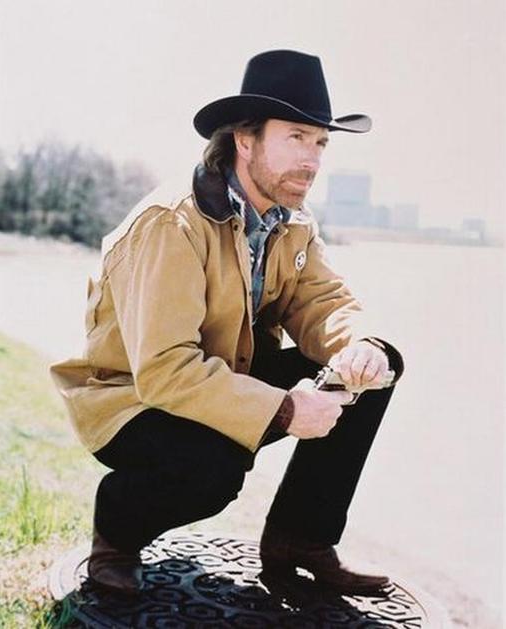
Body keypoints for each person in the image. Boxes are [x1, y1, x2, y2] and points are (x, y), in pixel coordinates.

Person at [51, 49, 404, 597]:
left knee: (374, 369)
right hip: (131, 401)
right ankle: (116, 533)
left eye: (320, 143)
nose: (312, 160)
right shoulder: (171, 223)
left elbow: (322, 302)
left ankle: (301, 539)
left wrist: (359, 346)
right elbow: (164, 370)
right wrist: (284, 408)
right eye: (296, 137)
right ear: (245, 139)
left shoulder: (292, 222)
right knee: (216, 472)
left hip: (219, 375)